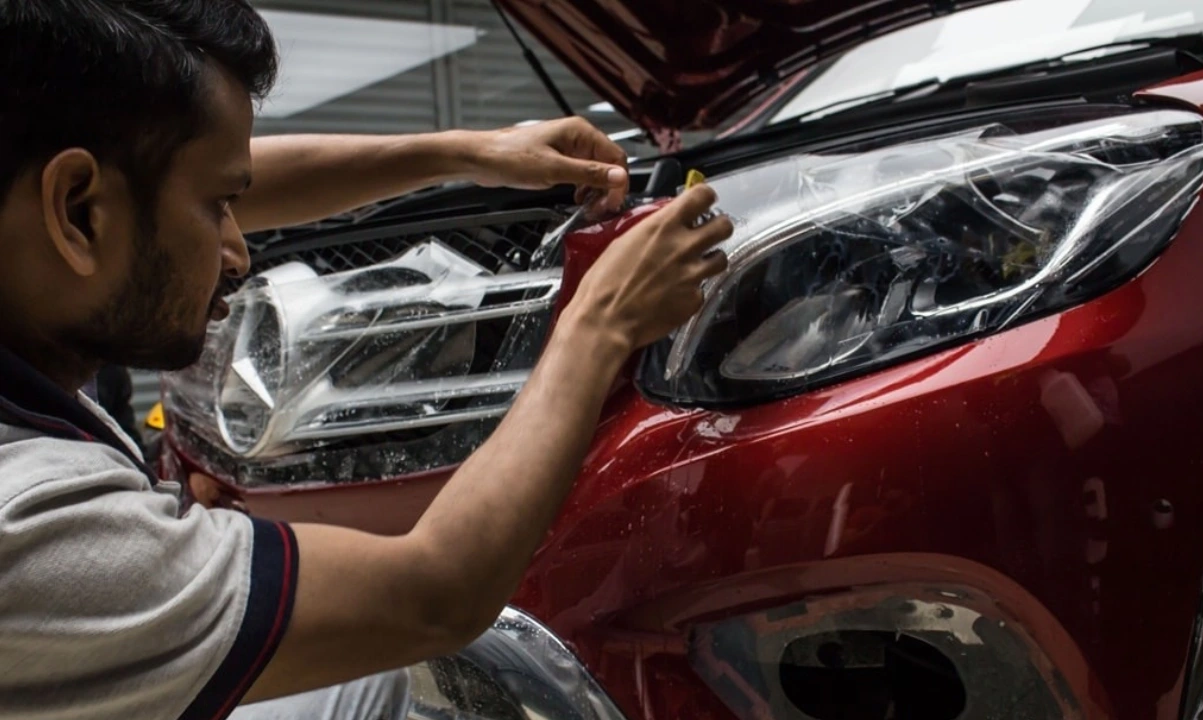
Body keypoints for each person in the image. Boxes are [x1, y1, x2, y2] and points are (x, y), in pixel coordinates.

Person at [0, 3, 732, 720]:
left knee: (356, 690)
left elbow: (182, 176)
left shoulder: (27, 241)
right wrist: (601, 324)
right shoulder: (35, 527)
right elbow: (432, 597)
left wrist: (467, 153)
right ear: (76, 211)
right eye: (220, 205)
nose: (238, 252)